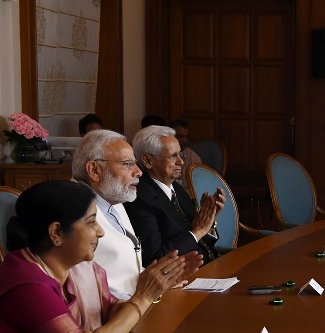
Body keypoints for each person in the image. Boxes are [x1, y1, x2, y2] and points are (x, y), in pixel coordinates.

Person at [0, 181, 189, 333]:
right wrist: (142, 297)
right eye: (91, 222)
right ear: (56, 232)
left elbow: (113, 312)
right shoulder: (26, 284)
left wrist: (153, 287)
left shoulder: (79, 267)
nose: (100, 231)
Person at [71, 129, 203, 299]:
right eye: (127, 164)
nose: (139, 172)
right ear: (94, 170)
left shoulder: (112, 197)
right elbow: (89, 285)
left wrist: (160, 279)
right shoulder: (75, 213)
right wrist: (150, 288)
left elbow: (125, 266)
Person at [125, 125, 225, 267]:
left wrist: (207, 219)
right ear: (148, 161)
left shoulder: (177, 188)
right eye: (173, 156)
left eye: (180, 154)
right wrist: (197, 231)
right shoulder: (138, 198)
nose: (181, 161)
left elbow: (201, 240)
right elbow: (156, 259)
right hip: (183, 278)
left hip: (208, 265)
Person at [169, 118, 202, 187]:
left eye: (186, 136)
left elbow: (196, 187)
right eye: (180, 136)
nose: (185, 140)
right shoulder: (161, 155)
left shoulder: (193, 159)